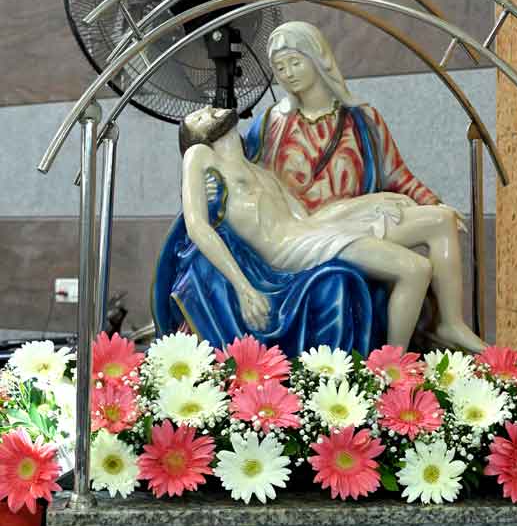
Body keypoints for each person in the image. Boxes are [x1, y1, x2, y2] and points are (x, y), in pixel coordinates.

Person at [174, 106, 484, 352]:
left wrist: (369, 203)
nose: (208, 110)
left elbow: (309, 218)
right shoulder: (200, 157)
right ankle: (391, 367)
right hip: (290, 249)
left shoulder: (260, 172)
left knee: (440, 220)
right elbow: (197, 227)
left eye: (206, 109)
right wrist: (245, 290)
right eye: (198, 118)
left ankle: (451, 323)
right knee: (415, 269)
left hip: (312, 232)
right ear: (196, 139)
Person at [244, 21, 441, 212]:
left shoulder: (363, 121)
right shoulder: (271, 123)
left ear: (318, 58)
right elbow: (245, 178)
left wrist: (434, 205)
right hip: (295, 230)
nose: (288, 73)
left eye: (295, 63)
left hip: (355, 225)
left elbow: (397, 176)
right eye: (280, 68)